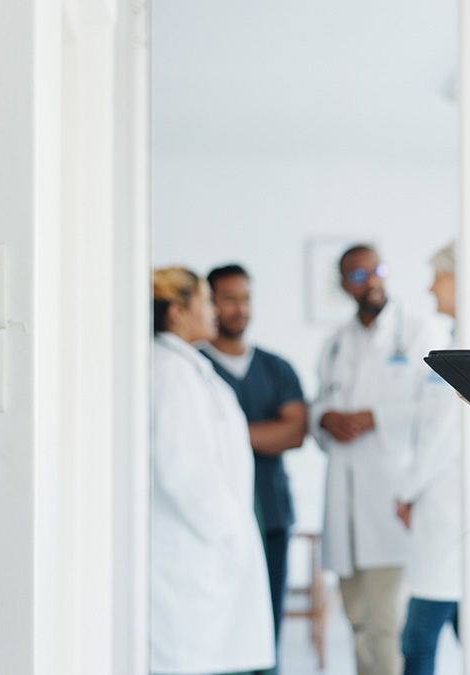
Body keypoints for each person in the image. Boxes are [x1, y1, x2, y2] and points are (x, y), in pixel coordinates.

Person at [310, 245, 449, 675]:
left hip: (392, 497)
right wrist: (326, 418)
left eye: (377, 270)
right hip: (345, 501)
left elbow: (437, 410)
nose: (371, 281)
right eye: (357, 276)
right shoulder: (336, 344)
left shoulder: (419, 332)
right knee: (357, 620)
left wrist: (375, 418)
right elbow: (319, 406)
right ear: (343, 286)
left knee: (387, 622)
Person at [395, 242, 470, 675]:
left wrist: (405, 492)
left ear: (461, 281)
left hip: (456, 515)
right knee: (469, 636)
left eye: (438, 277)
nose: (430, 288)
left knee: (418, 638)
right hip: (453, 515)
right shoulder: (466, 336)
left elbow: (445, 436)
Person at [151, 266, 274, 675]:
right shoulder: (171, 372)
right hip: (193, 554)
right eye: (204, 301)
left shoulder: (187, 367)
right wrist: (232, 530)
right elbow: (182, 470)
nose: (214, 311)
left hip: (206, 550)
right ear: (176, 312)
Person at [199, 264, 307, 673]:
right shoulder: (193, 366)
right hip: (213, 521)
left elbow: (295, 432)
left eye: (245, 298)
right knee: (219, 630)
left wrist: (224, 432)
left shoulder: (276, 367)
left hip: (271, 518)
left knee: (267, 630)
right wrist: (265, 431)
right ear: (210, 304)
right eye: (229, 298)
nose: (240, 308)